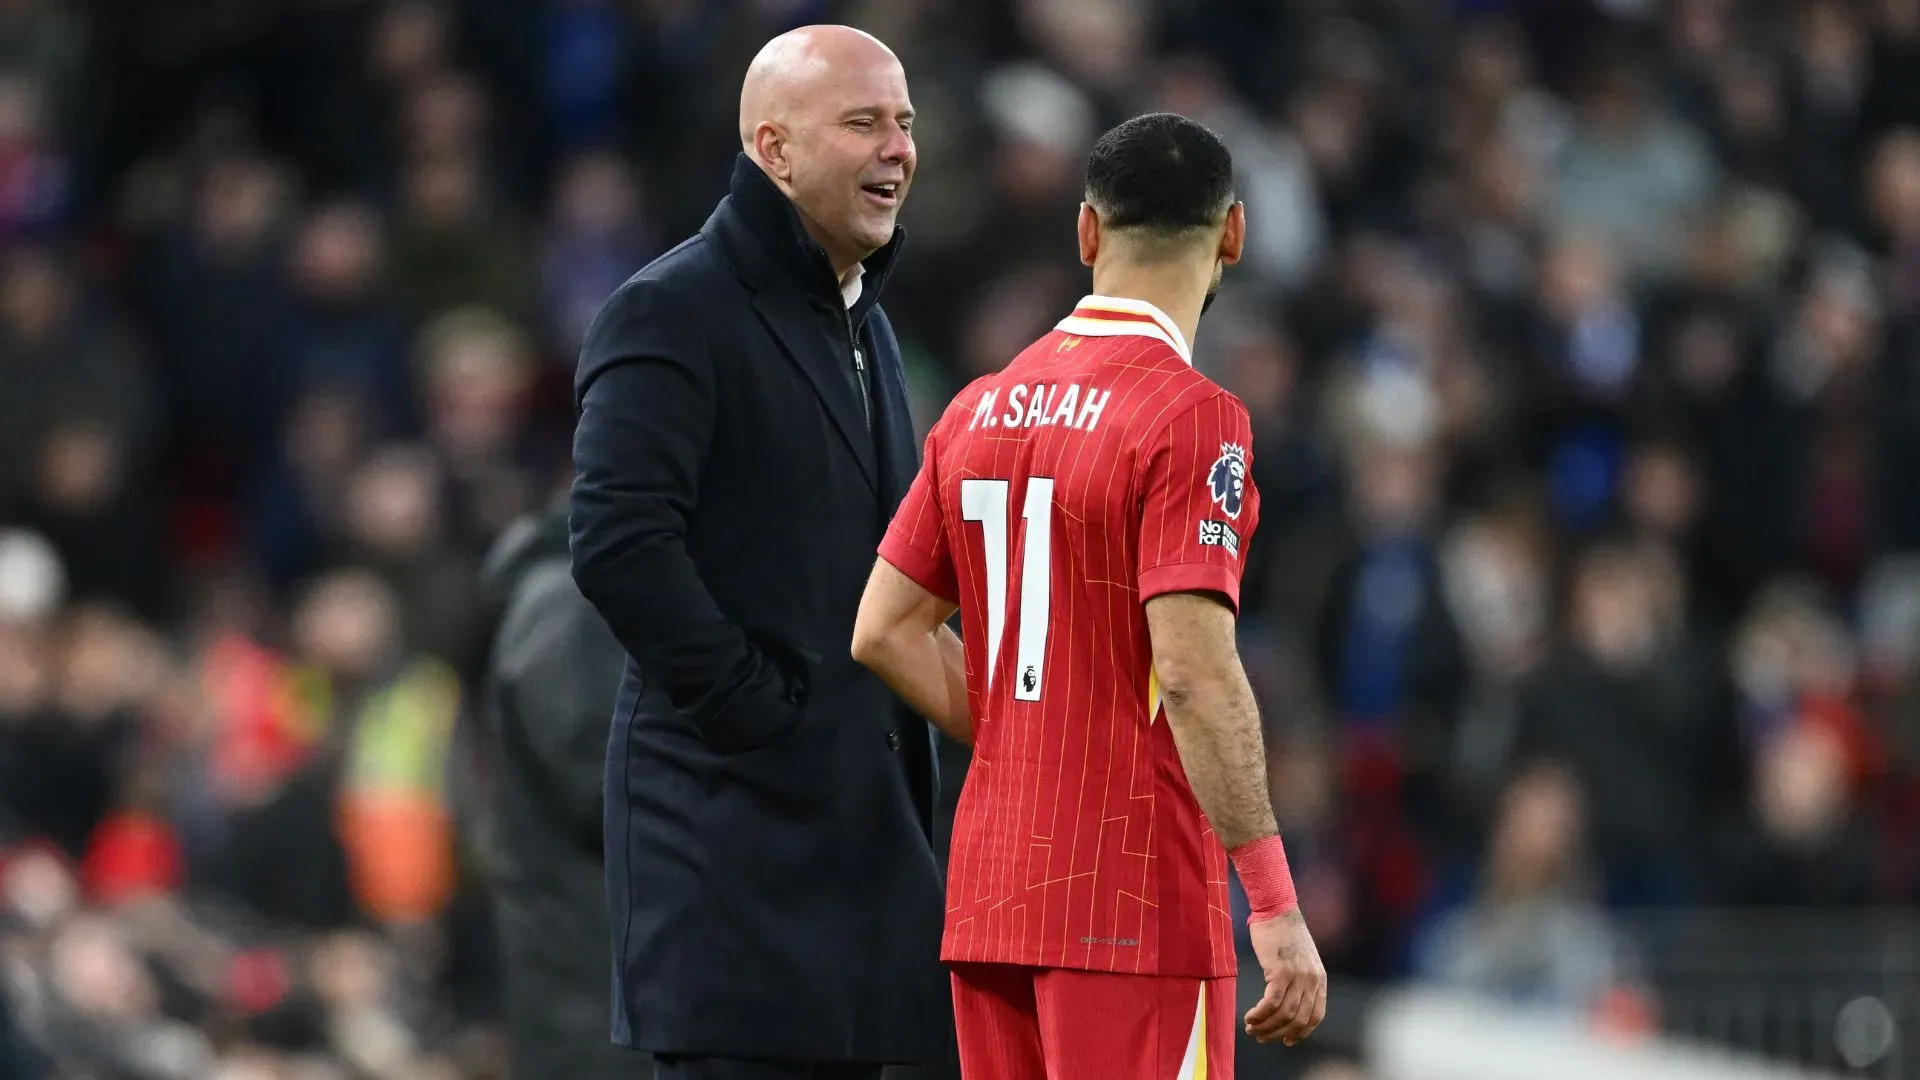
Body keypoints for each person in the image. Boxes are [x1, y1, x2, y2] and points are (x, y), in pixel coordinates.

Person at [850, 113, 1327, 1079]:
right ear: (1232, 234)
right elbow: (1194, 675)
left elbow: (885, 629)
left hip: (993, 893)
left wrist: (1030, 737)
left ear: (1086, 233)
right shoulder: (1193, 418)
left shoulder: (979, 406)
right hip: (1134, 897)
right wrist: (1273, 901)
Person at [567, 23, 949, 1080]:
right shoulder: (669, 308)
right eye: (864, 123)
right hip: (733, 865)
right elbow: (615, 543)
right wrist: (759, 709)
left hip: (855, 874)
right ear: (773, 150)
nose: (897, 150)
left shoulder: (861, 319)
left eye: (906, 124)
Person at [477, 494, 635, 1080]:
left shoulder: (571, 599)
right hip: (591, 995)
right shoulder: (568, 604)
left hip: (594, 988)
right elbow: (599, 786)